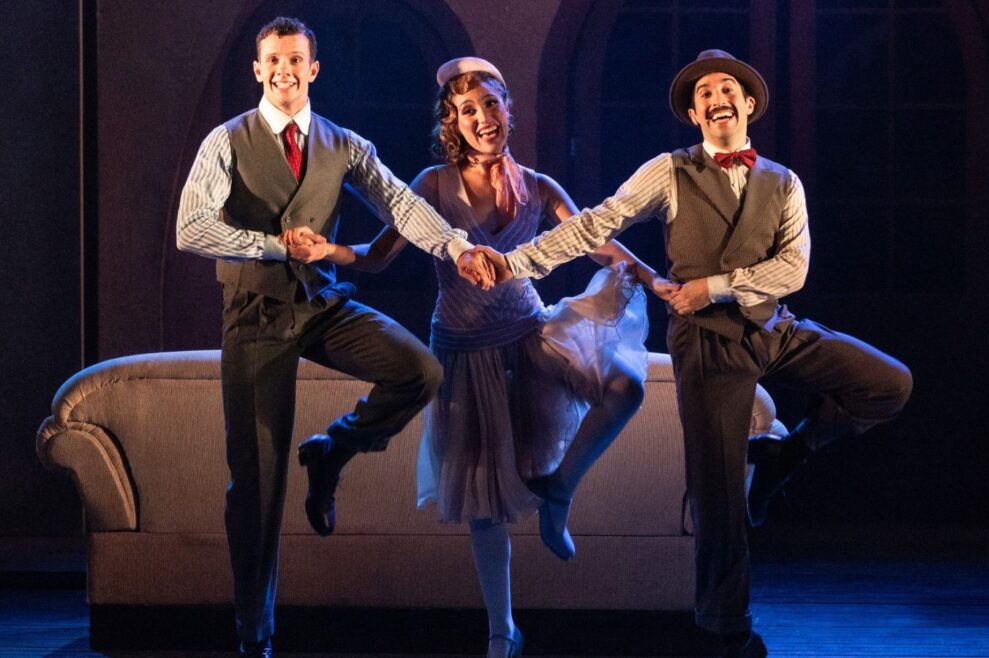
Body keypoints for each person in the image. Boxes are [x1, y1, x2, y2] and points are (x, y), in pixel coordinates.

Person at [474, 50, 913, 658]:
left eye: (726, 88)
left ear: (749, 104)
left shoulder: (783, 181)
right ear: (694, 113)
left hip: (770, 325)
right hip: (707, 345)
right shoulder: (669, 171)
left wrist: (716, 286)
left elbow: (795, 268)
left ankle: (787, 455)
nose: (716, 98)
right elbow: (595, 224)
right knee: (718, 494)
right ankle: (724, 629)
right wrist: (516, 261)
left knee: (888, 384)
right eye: (703, 94)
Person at [285, 56, 674, 658]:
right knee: (483, 498)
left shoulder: (538, 186)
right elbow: (382, 253)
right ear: (453, 122)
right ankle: (502, 631)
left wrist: (649, 276)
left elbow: (593, 239)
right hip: (465, 351)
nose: (483, 118)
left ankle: (560, 491)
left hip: (528, 331)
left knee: (626, 386)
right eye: (469, 110)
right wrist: (330, 250)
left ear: (507, 109)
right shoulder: (432, 185)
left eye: (491, 105)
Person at [175, 18, 493, 658]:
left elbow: (401, 205)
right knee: (259, 485)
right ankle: (253, 634)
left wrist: (456, 248)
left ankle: (333, 451)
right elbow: (191, 228)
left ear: (313, 70)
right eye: (273, 61)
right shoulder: (227, 141)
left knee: (419, 370)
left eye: (296, 60)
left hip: (320, 304)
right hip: (256, 317)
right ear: (258, 70)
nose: (285, 70)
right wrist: (269, 246)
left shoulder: (343, 144)